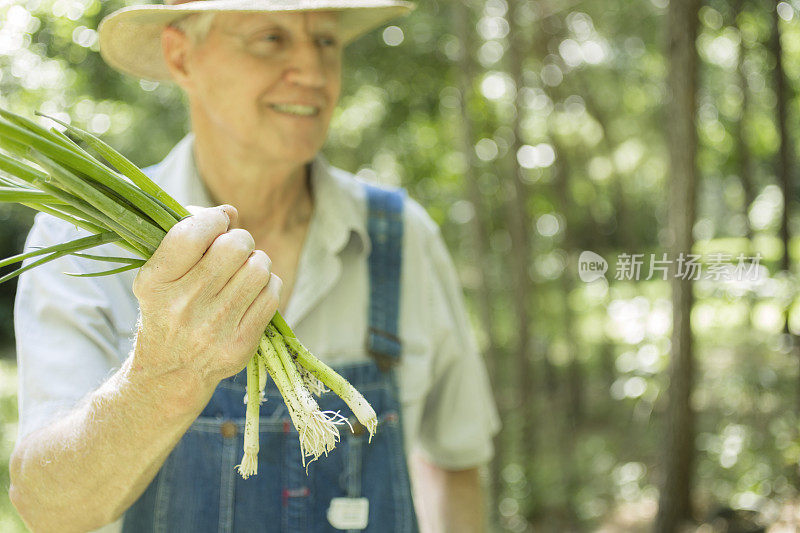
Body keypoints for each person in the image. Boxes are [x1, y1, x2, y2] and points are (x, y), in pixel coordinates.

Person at [8, 0, 500, 531]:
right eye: (271, 37)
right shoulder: (84, 241)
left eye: (327, 40)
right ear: (181, 55)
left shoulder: (403, 239)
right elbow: (47, 508)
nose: (313, 72)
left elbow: (455, 467)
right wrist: (166, 373)